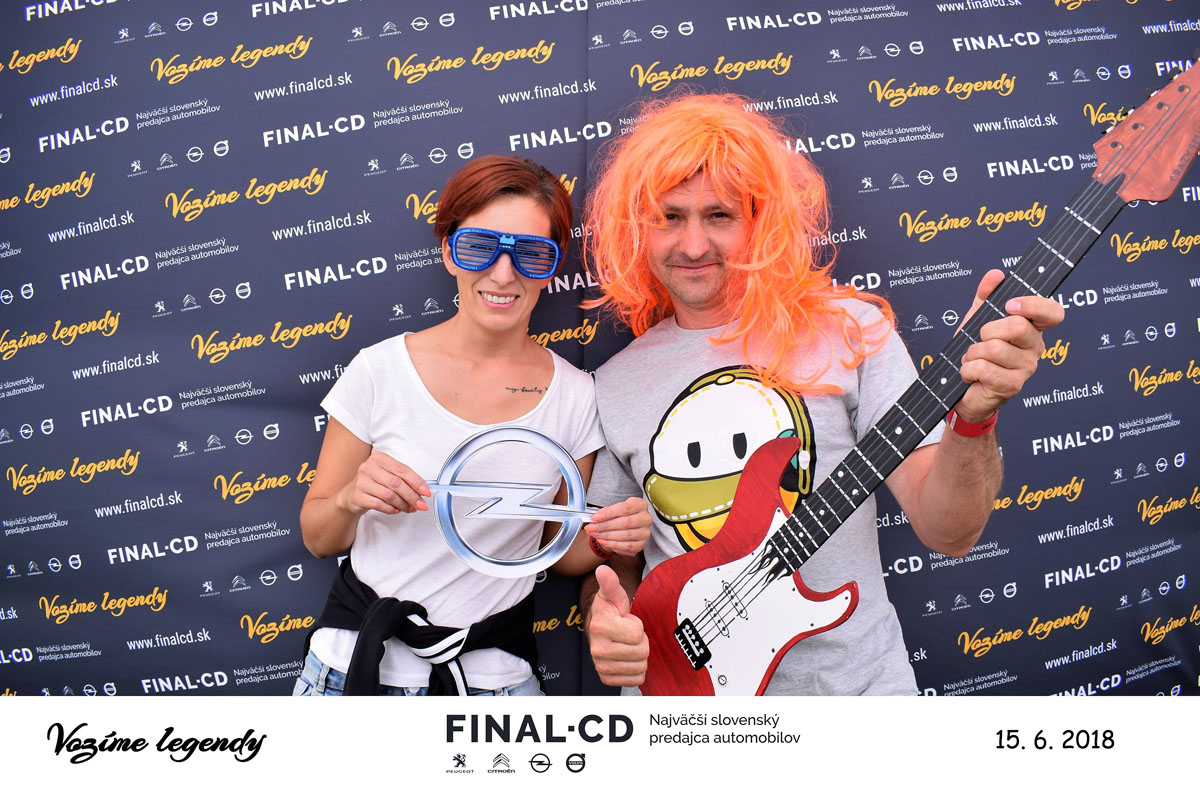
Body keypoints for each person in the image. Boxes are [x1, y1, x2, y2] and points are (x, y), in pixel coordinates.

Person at [579, 94, 1065, 695]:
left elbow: (950, 533)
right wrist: (607, 617)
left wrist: (973, 421)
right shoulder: (614, 382)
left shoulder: (850, 331)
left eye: (720, 215)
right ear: (638, 229)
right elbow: (615, 563)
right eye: (669, 217)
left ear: (761, 220)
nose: (694, 244)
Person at [296, 155, 650, 696]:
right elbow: (318, 537)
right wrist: (350, 500)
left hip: (494, 686)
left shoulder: (576, 397)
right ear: (448, 251)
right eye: (480, 247)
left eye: (531, 253)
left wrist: (609, 540)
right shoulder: (379, 370)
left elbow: (557, 553)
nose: (504, 274)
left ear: (552, 266)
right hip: (352, 671)